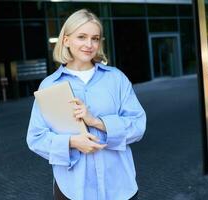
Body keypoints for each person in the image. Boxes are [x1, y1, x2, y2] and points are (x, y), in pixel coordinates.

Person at [26, 9, 146, 200]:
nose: (89, 45)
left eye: (95, 38)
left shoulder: (116, 79)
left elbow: (138, 125)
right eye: (81, 37)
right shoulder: (50, 85)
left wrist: (96, 121)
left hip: (119, 187)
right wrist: (72, 142)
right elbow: (36, 138)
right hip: (73, 189)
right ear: (66, 40)